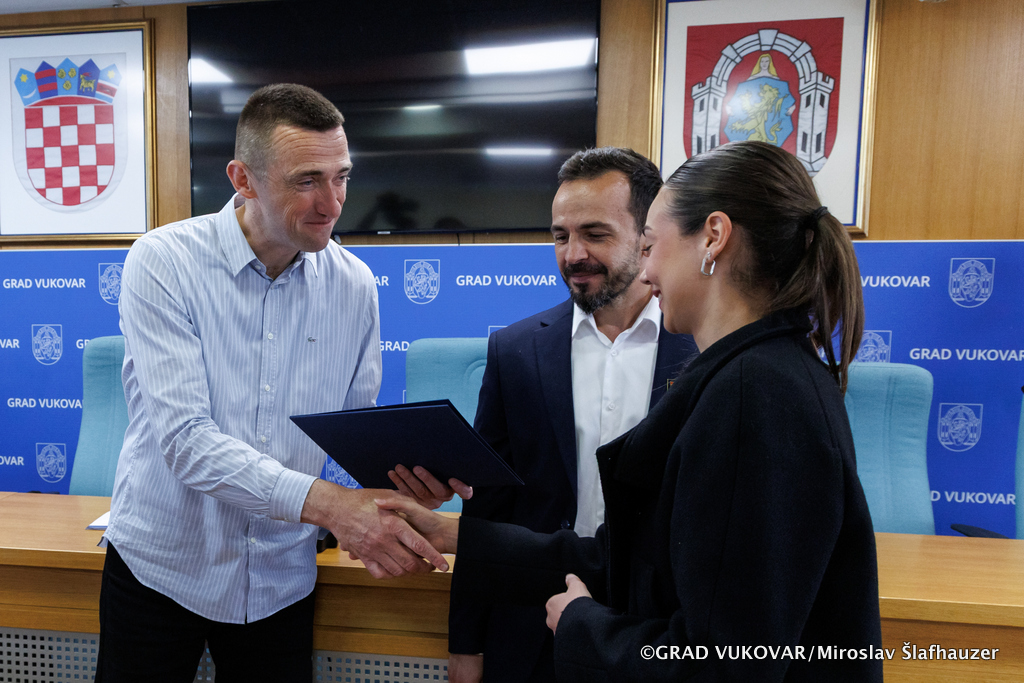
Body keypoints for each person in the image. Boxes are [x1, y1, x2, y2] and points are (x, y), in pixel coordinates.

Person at [382, 140, 883, 681]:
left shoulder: (754, 394)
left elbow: (723, 664)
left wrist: (581, 625)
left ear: (713, 237)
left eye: (650, 244)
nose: (648, 270)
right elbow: (636, 558)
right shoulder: (755, 374)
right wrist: (450, 535)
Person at [97, 84, 463, 683]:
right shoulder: (163, 262)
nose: (332, 203)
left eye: (341, 177)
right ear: (242, 178)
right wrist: (337, 509)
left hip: (280, 577)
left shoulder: (355, 285)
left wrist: (401, 487)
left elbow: (352, 435)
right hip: (162, 568)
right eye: (306, 180)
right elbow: (187, 442)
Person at [442, 147, 696, 683]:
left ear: (646, 235)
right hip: (532, 629)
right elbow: (487, 509)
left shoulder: (701, 350)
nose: (573, 254)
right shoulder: (516, 351)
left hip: (656, 632)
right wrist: (466, 641)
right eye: (561, 236)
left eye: (595, 234)